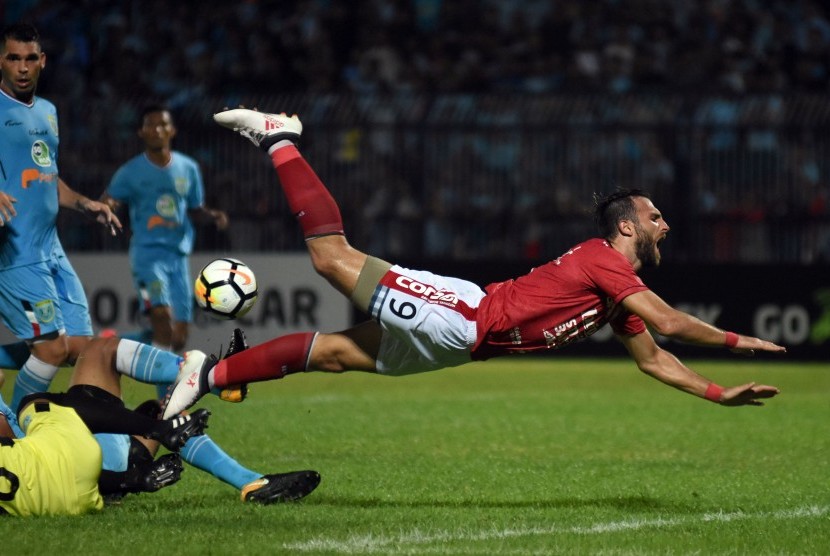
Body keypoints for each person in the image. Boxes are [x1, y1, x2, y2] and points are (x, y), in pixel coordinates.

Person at [163, 108, 785, 421]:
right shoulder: (604, 261)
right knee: (330, 258)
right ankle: (280, 137)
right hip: (462, 317)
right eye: (654, 218)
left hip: (463, 345)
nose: (665, 224)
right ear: (626, 226)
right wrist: (738, 341)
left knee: (333, 354)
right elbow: (672, 324)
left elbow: (654, 357)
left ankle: (208, 375)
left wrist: (715, 392)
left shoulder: (615, 290)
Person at [0, 22, 122, 413]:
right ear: (0, 61)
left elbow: (47, 177)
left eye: (30, 58)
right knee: (51, 348)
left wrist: (87, 204)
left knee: (81, 350)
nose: (22, 67)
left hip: (52, 249)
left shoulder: (49, 112)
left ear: (43, 62)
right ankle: (16, 438)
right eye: (13, 58)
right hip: (15, 253)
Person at [100, 104, 229, 354]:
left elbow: (195, 206)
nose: (157, 130)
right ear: (141, 132)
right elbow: (108, 199)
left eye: (163, 125)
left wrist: (212, 214)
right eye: (151, 125)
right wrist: (107, 207)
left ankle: (114, 345)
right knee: (161, 316)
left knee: (178, 337)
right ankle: (106, 349)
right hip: (147, 254)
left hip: (178, 256)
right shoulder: (130, 172)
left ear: (172, 130)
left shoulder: (188, 168)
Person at [0, 363, 210, 517]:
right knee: (32, 402)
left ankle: (135, 479)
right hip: (81, 449)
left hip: (77, 500)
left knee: (53, 472)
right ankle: (162, 428)